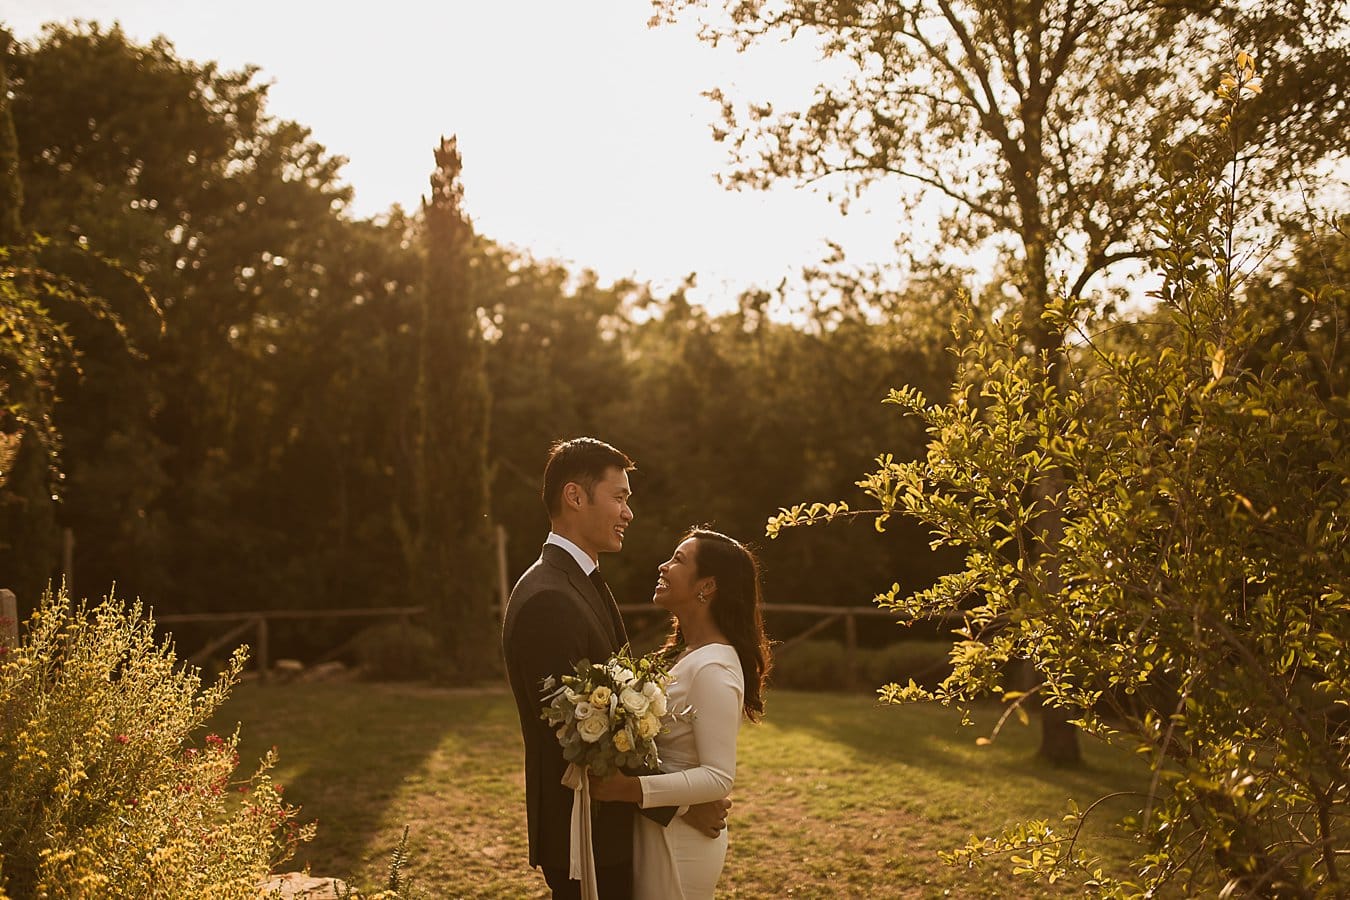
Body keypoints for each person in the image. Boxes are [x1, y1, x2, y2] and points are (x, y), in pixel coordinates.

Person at [502, 438, 731, 900]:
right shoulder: (549, 597)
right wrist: (682, 806)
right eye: (620, 497)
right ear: (575, 496)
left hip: (607, 830)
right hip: (584, 835)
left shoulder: (578, 582)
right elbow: (580, 739)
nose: (629, 513)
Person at [590, 527, 773, 900]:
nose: (663, 565)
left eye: (678, 559)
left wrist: (629, 789)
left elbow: (718, 778)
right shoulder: (682, 655)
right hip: (657, 827)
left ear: (707, 586)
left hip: (681, 846)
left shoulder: (714, 668)